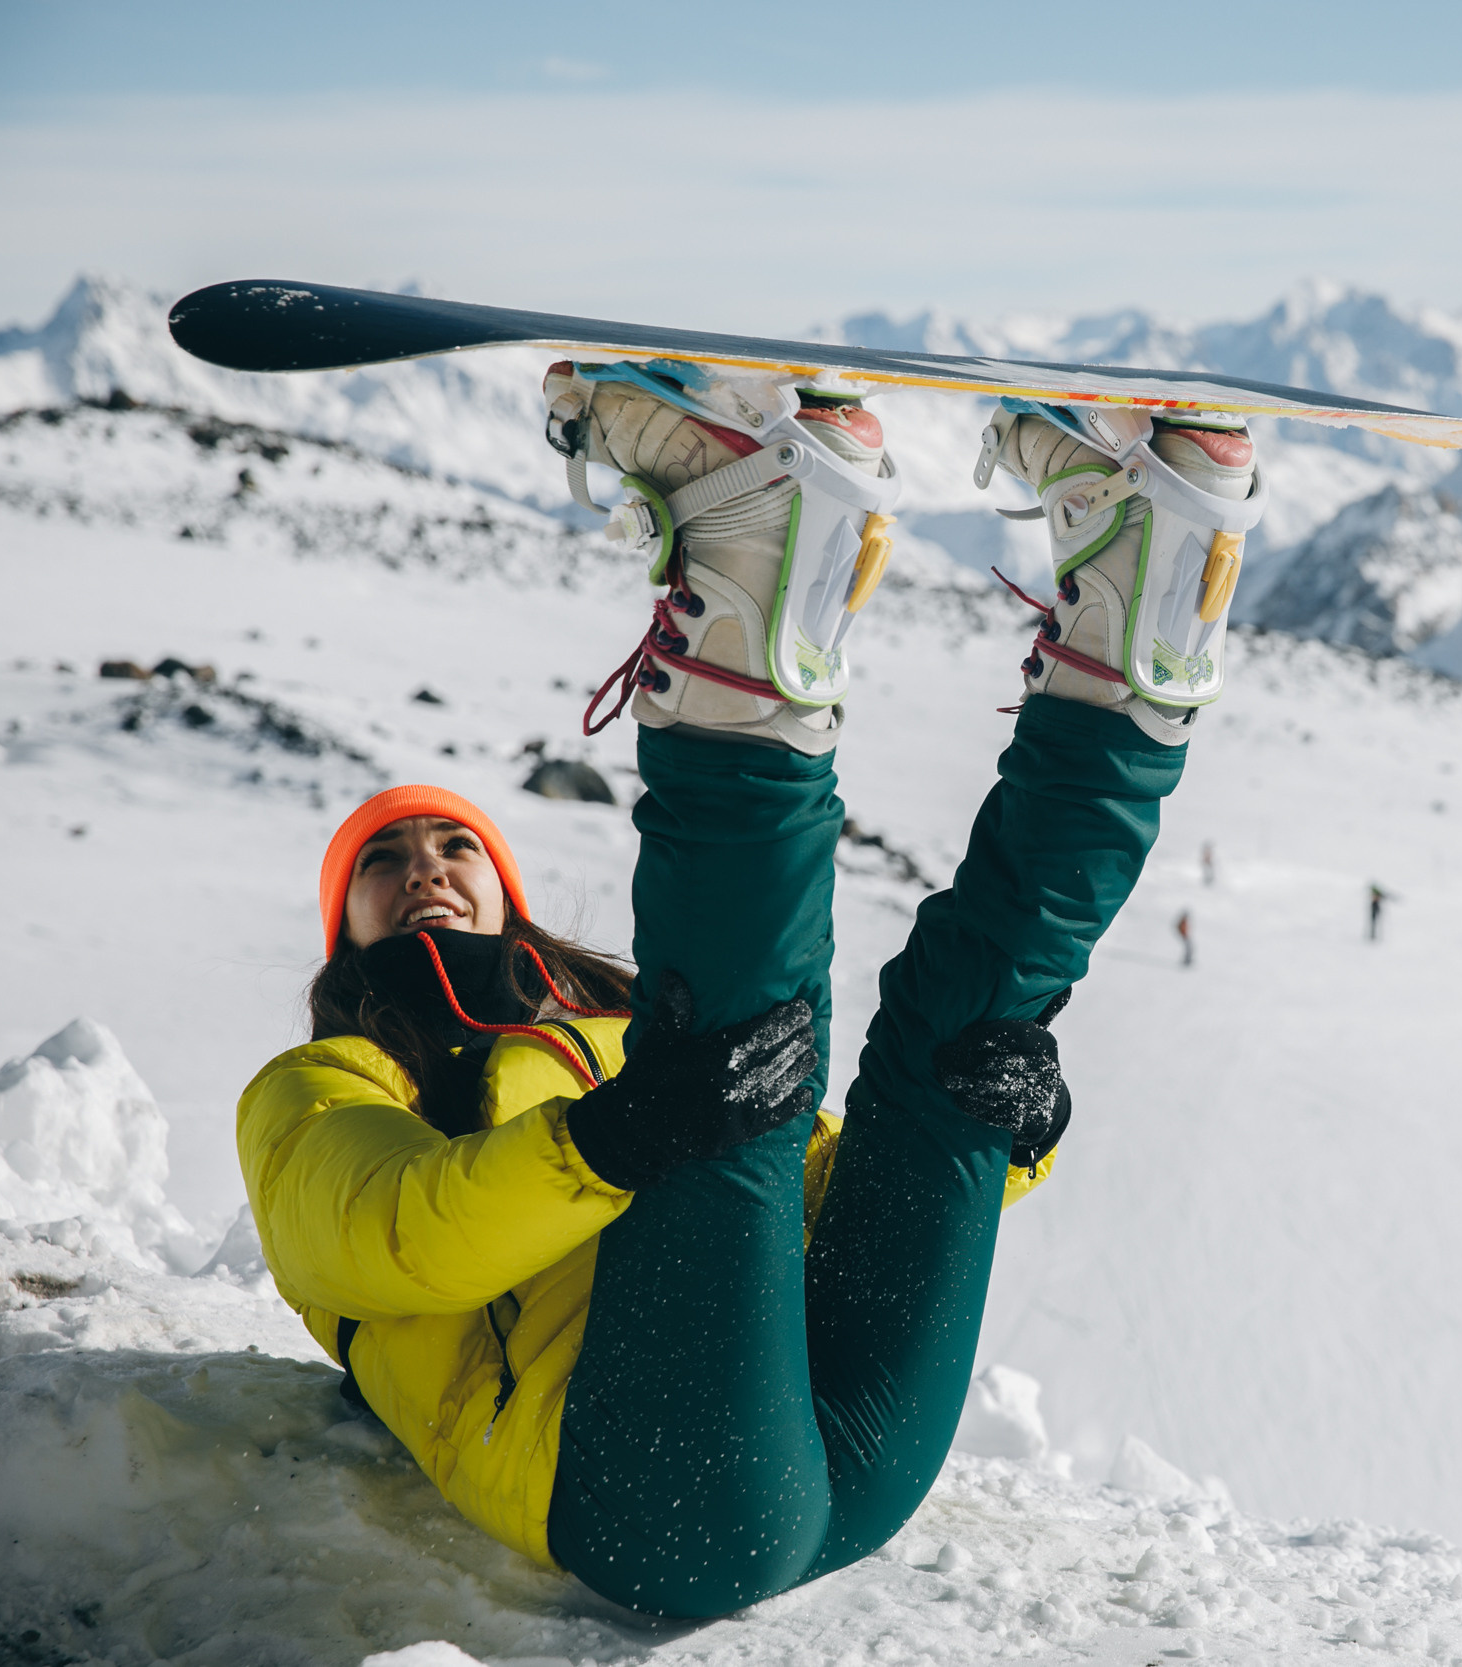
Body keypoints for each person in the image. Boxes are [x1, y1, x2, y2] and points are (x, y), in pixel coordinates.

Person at [239, 360, 1263, 1620]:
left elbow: (803, 1194)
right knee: (725, 1050)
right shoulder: (319, 1087)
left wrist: (1005, 1131)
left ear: (510, 893)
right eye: (383, 862)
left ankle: (1140, 601)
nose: (426, 873)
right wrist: (612, 1139)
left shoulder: (600, 1030)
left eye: (455, 846)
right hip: (640, 1494)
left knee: (954, 1048)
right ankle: (741, 544)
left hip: (851, 1460)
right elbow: (388, 1232)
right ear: (339, 929)